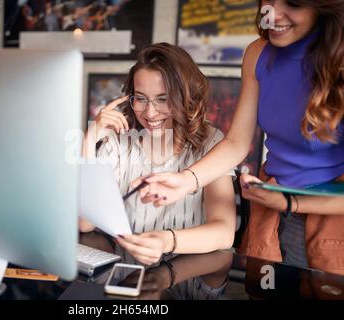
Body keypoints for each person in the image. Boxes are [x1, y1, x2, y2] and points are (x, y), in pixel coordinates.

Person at [132, 0, 344, 275]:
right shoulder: (258, 53)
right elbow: (237, 142)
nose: (272, 14)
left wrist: (292, 203)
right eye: (267, 0)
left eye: (291, 3)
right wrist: (185, 181)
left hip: (331, 213)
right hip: (274, 199)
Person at [79, 43, 236, 266]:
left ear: (186, 96)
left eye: (163, 99)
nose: (150, 113)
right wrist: (89, 139)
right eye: (140, 98)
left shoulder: (211, 143)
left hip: (188, 273)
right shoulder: (118, 144)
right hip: (127, 274)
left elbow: (224, 232)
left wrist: (165, 241)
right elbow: (85, 223)